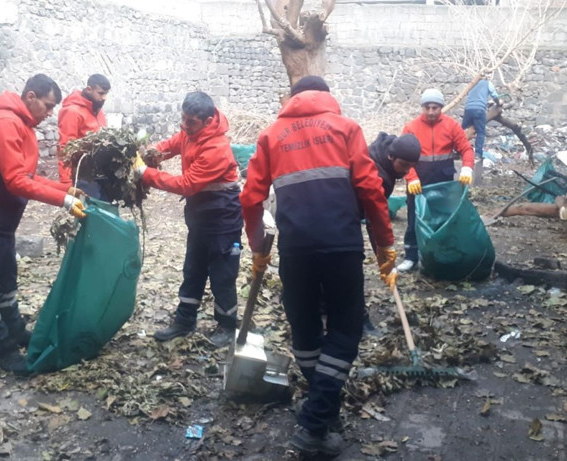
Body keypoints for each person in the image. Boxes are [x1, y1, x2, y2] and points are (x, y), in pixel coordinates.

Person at [240, 76, 396, 457]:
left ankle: (321, 410)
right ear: (328, 96)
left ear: (292, 99)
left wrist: (258, 245)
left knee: (305, 327)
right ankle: (314, 423)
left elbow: (250, 198)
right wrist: (384, 244)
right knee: (346, 329)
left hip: (296, 250)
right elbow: (371, 190)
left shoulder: (271, 135)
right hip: (341, 245)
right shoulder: (345, 128)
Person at [0, 74, 87, 375]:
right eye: (48, 106)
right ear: (30, 97)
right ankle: (2, 349)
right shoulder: (4, 123)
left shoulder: (23, 127)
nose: (50, 113)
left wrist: (64, 190)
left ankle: (16, 333)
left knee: (7, 282)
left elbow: (26, 176)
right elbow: (16, 181)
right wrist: (63, 202)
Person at [134, 91, 242, 348]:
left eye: (190, 122)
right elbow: (169, 145)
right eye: (182, 120)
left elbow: (187, 184)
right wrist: (148, 152)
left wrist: (144, 173)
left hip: (223, 220)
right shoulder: (189, 132)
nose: (184, 126)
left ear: (207, 121)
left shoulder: (217, 148)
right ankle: (184, 321)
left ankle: (227, 326)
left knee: (222, 275)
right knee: (193, 269)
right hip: (200, 216)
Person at [398, 88, 475, 272]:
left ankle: (441, 255)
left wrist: (466, 167)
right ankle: (411, 257)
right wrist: (411, 177)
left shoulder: (452, 126)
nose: (431, 112)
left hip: (444, 181)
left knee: (443, 219)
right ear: (422, 107)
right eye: (427, 107)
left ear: (441, 107)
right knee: (414, 218)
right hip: (418, 183)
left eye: (435, 107)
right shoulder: (411, 128)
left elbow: (466, 149)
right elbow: (401, 156)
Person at [361, 132, 420, 335]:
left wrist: (383, 257)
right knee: (350, 261)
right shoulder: (378, 174)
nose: (406, 172)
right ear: (391, 157)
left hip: (346, 210)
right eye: (403, 165)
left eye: (410, 166)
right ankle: (358, 319)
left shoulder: (383, 155)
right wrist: (384, 255)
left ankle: (324, 305)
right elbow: (375, 219)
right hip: (336, 212)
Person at [57, 74, 111, 197]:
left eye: (106, 93)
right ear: (89, 89)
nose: (104, 98)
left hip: (100, 174)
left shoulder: (98, 111)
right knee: (90, 211)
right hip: (83, 175)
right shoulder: (72, 112)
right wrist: (66, 182)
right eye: (101, 93)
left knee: (105, 210)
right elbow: (65, 147)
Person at [461, 73, 501, 185]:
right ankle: (478, 153)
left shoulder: (473, 84)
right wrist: (498, 103)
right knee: (481, 132)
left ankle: (456, 150)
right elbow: (495, 96)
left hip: (468, 109)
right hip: (479, 110)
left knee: (461, 130)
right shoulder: (488, 83)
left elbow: (473, 96)